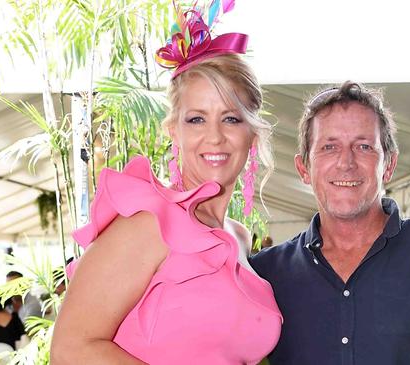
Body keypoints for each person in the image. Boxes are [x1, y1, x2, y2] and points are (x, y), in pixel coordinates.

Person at [51, 2, 281, 364]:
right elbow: (70, 349)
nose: (215, 137)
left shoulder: (239, 237)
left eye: (231, 118)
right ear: (174, 130)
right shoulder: (148, 224)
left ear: (253, 133)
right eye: (196, 120)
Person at [250, 81, 410, 365]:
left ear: (389, 165)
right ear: (303, 168)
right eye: (329, 147)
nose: (346, 162)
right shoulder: (265, 275)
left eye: (363, 146)